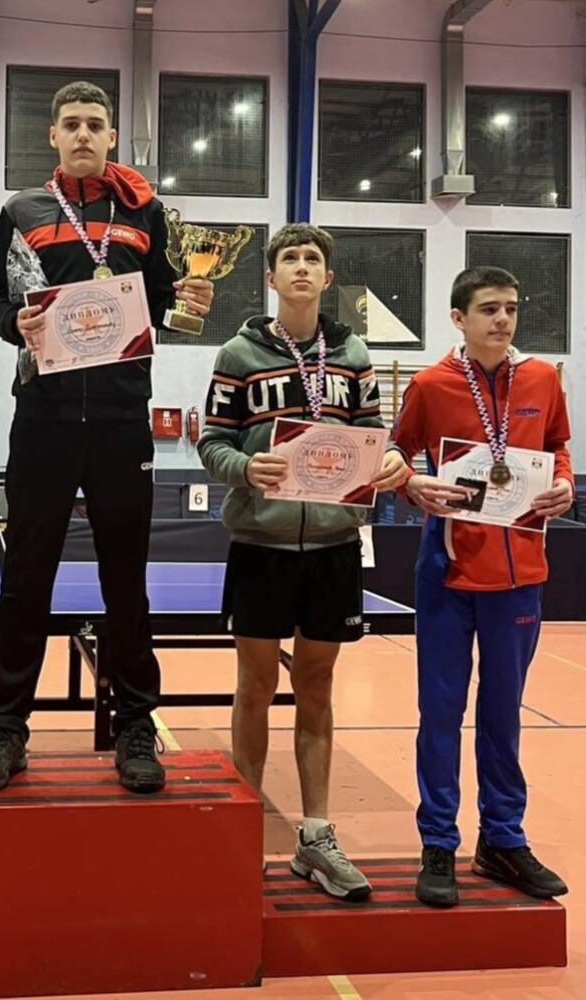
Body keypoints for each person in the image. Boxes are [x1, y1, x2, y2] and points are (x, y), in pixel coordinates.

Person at [0, 81, 213, 795]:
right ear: (52, 136)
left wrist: (190, 297)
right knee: (25, 580)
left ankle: (135, 726)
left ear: (110, 138)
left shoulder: (144, 213)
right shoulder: (22, 211)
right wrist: (15, 324)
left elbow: (162, 299)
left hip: (120, 419)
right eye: (70, 123)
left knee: (125, 581)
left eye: (94, 124)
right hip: (42, 418)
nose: (82, 134)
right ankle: (5, 729)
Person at [197, 223, 408, 900]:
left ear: (327, 277)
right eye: (289, 258)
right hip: (260, 545)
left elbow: (374, 437)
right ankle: (244, 833)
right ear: (271, 277)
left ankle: (314, 836)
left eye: (312, 259)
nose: (301, 268)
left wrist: (390, 460)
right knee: (255, 685)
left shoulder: (353, 354)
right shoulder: (238, 353)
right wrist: (243, 467)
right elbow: (212, 440)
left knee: (316, 686)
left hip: (333, 547)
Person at [390, 266, 571, 907]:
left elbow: (557, 446)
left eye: (511, 308)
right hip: (447, 574)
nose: (502, 319)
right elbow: (394, 453)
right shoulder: (430, 384)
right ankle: (438, 842)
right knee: (440, 714)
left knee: (502, 717)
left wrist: (564, 483)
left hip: (520, 576)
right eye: (489, 308)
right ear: (458, 318)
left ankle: (502, 839)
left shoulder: (544, 378)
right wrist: (411, 484)